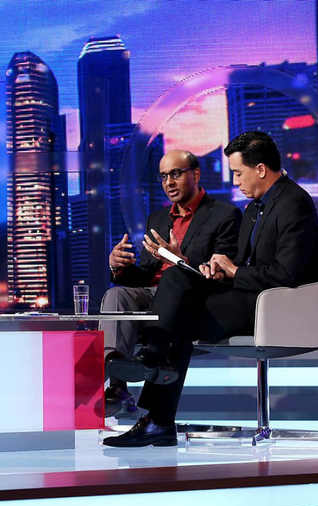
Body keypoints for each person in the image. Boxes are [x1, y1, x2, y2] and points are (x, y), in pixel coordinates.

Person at [103, 131, 318, 447]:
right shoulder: (254, 209)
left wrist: (234, 271)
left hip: (277, 307)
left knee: (178, 307)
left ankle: (155, 387)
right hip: (250, 297)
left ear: (260, 169)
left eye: (238, 172)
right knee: (178, 284)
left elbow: (287, 274)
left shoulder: (293, 203)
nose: (236, 181)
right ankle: (157, 407)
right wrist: (217, 268)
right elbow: (239, 264)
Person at [101, 149, 241, 414]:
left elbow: (221, 273)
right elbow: (145, 272)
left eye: (176, 174)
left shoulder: (224, 215)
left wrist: (181, 260)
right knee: (116, 294)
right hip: (153, 293)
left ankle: (135, 383)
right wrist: (118, 266)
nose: (169, 183)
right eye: (164, 177)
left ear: (196, 174)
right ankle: (116, 379)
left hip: (190, 297)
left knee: (165, 285)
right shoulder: (158, 218)